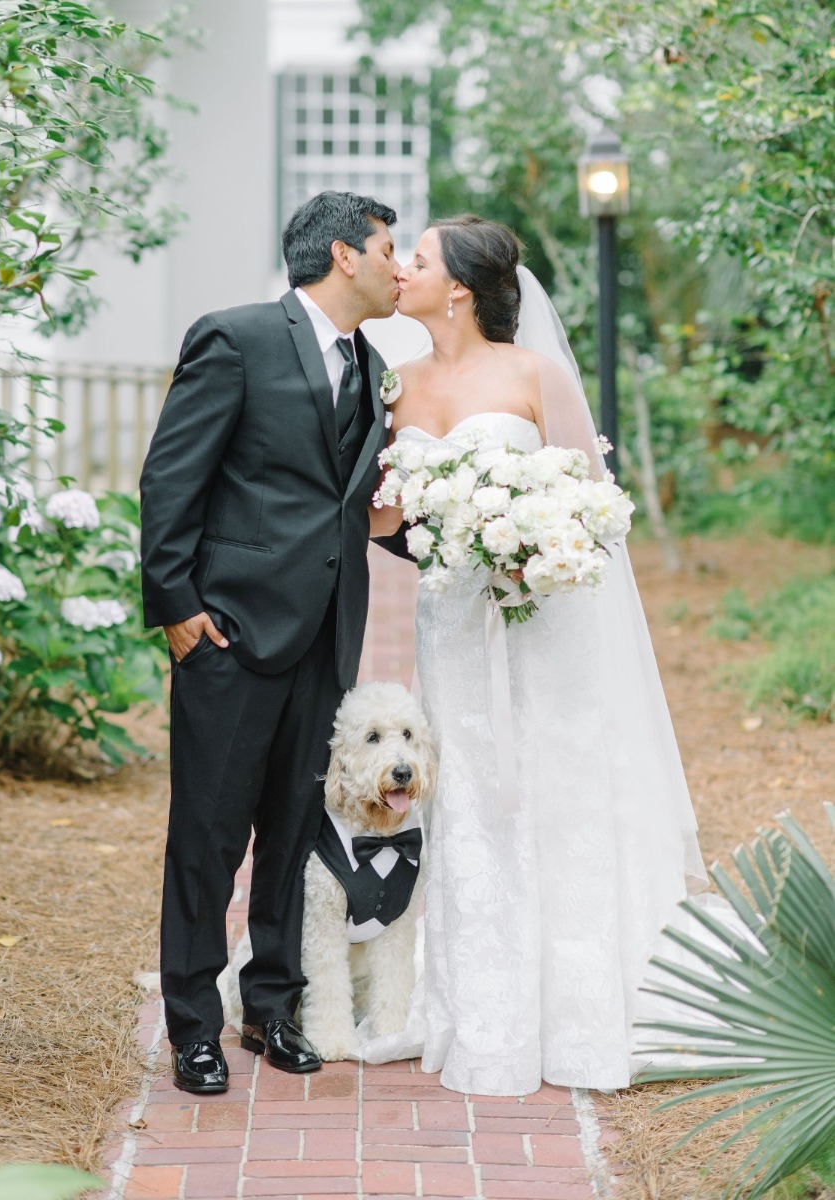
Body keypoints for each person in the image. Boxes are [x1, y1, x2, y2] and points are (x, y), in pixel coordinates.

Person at [368, 215, 708, 1097]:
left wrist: (529, 545)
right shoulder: (392, 385)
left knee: (555, 784)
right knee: (473, 795)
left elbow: (594, 509)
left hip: (541, 618)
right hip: (450, 626)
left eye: (419, 260)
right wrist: (432, 519)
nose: (401, 270)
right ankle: (477, 1004)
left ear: (460, 290)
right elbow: (378, 517)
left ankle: (583, 1001)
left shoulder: (534, 374)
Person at [140, 190, 400, 1091]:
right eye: (387, 250)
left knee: (293, 834)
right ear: (342, 255)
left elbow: (360, 504)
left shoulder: (372, 366)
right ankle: (194, 1027)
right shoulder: (237, 336)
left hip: (327, 639)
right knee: (207, 839)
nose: (399, 267)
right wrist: (177, 610)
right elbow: (172, 475)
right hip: (230, 633)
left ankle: (273, 1009)